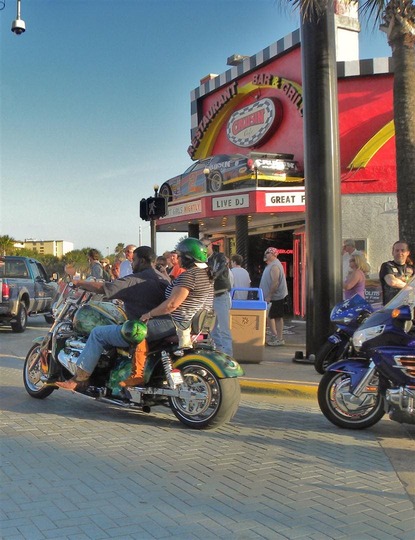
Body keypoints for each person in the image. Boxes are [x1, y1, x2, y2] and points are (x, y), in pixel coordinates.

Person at [55, 246, 171, 390]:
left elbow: (104, 287)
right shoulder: (163, 277)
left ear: (141, 261)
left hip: (139, 328)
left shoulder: (134, 280)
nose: (132, 264)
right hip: (160, 327)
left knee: (98, 333)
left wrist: (79, 283)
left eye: (133, 260)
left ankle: (79, 379)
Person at [140, 238, 214, 355]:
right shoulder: (206, 273)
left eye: (179, 255)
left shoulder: (190, 275)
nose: (177, 259)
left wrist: (148, 315)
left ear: (188, 258)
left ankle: (135, 372)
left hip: (178, 323)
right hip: (194, 325)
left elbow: (172, 305)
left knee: (134, 331)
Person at [202, 237, 233, 356]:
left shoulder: (219, 257)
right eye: (202, 247)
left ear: (210, 245)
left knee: (224, 329)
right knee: (213, 330)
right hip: (210, 297)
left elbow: (220, 268)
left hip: (221, 295)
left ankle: (228, 357)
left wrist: (212, 276)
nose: (204, 249)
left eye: (206, 246)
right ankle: (219, 354)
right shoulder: (203, 261)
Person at [260, 247, 288, 347]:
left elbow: (275, 282)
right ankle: (275, 335)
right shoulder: (271, 265)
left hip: (275, 297)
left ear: (272, 254)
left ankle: (279, 338)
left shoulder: (275, 266)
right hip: (271, 297)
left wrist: (269, 296)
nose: (265, 254)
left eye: (267, 253)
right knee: (270, 316)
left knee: (277, 317)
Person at [379, 240, 414, 305]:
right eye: (397, 250)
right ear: (393, 252)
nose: (399, 253)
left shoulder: (412, 268)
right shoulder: (387, 265)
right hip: (391, 308)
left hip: (409, 307)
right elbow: (392, 282)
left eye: (402, 250)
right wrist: (411, 288)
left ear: (408, 253)